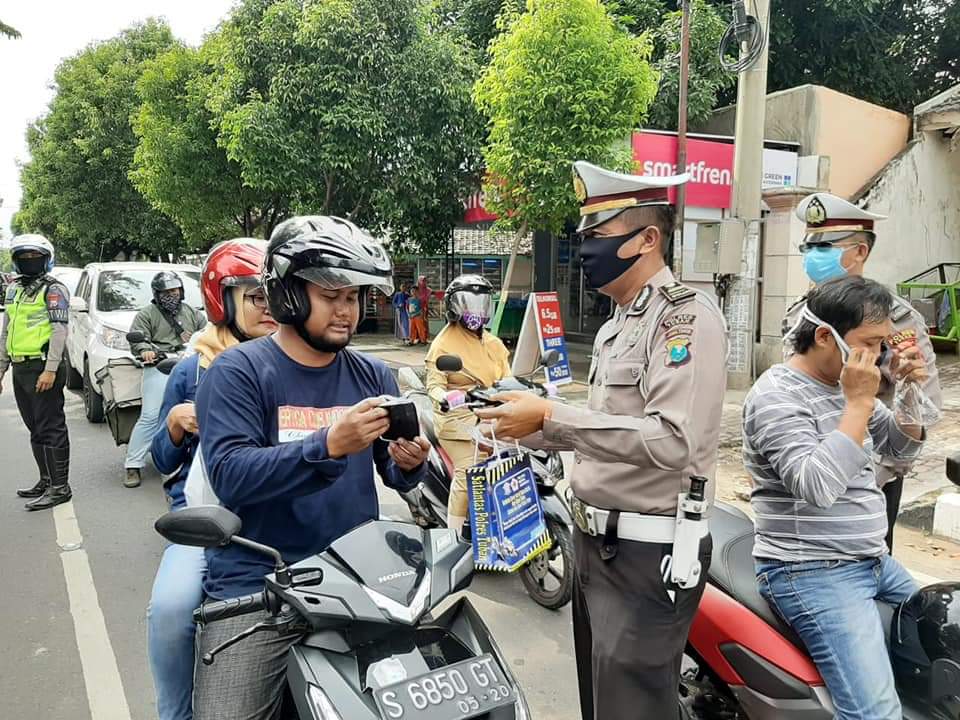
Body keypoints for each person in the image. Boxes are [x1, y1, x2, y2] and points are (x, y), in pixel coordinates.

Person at [476, 161, 728, 719]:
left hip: (648, 553)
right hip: (594, 545)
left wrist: (553, 417)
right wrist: (528, 429)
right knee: (601, 703)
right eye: (583, 235)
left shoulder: (683, 319)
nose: (586, 248)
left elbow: (674, 441)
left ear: (648, 239)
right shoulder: (617, 325)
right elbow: (608, 430)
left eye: (599, 235)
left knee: (630, 708)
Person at [192, 216, 430, 720]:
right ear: (289, 296)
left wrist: (408, 464)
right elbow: (231, 475)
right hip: (260, 586)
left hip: (357, 576)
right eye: (331, 296)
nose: (347, 310)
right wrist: (328, 444)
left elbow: (390, 468)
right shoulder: (238, 372)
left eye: (354, 297)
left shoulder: (373, 373)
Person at [745, 276, 927, 720]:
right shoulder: (776, 396)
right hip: (811, 570)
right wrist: (859, 403)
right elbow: (816, 486)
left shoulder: (841, 387)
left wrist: (907, 389)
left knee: (941, 645)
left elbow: (901, 448)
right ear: (826, 336)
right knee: (875, 713)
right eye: (870, 343)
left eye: (883, 343)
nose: (880, 355)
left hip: (873, 560)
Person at [146, 239, 275, 720]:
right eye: (256, 296)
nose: (270, 307)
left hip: (273, 517)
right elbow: (163, 460)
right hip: (206, 523)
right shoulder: (193, 370)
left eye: (276, 295)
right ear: (223, 301)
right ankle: (176, 713)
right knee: (171, 610)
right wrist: (176, 424)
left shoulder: (292, 363)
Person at [781, 193, 941, 551]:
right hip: (803, 468)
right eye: (809, 247)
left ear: (860, 252)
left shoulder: (896, 320)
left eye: (825, 247)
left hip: (868, 477)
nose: (813, 256)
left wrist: (869, 476)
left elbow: (924, 407)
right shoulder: (801, 313)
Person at [424, 274, 511, 535]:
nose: (476, 310)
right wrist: (445, 397)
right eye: (469, 303)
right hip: (458, 418)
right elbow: (434, 385)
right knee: (469, 470)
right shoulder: (443, 344)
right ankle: (452, 537)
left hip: (492, 413)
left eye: (481, 303)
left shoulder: (494, 343)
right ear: (454, 306)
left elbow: (509, 379)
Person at [0, 234, 73, 511]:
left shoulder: (53, 289)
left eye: (35, 257)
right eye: (24, 257)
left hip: (43, 367)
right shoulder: (14, 290)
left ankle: (60, 487)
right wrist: (2, 368)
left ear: (47, 259)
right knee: (35, 427)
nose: (29, 261)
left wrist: (51, 369)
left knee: (51, 426)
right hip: (21, 368)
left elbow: (59, 331)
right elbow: (7, 330)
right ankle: (46, 480)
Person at [124, 272, 205, 489]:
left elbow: (207, 333)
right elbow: (138, 339)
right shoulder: (147, 314)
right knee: (151, 416)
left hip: (188, 364)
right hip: (159, 365)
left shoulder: (193, 313)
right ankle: (133, 463)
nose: (171, 295)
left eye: (174, 290)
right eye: (166, 292)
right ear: (157, 294)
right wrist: (145, 350)